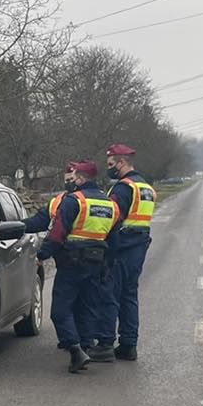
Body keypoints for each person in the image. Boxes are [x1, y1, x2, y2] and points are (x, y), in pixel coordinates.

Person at [37, 160, 119, 374]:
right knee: (88, 307)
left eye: (74, 177)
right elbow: (114, 237)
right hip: (97, 262)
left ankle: (75, 349)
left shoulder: (75, 201)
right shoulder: (110, 204)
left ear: (81, 178)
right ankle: (85, 346)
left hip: (72, 262)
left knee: (60, 310)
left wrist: (42, 254)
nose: (72, 181)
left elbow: (57, 232)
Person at [101, 142, 155, 361]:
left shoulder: (124, 187)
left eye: (111, 164)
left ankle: (105, 344)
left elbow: (112, 216)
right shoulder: (146, 188)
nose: (109, 168)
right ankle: (128, 344)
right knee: (129, 296)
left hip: (121, 247)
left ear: (122, 163)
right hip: (139, 246)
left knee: (110, 295)